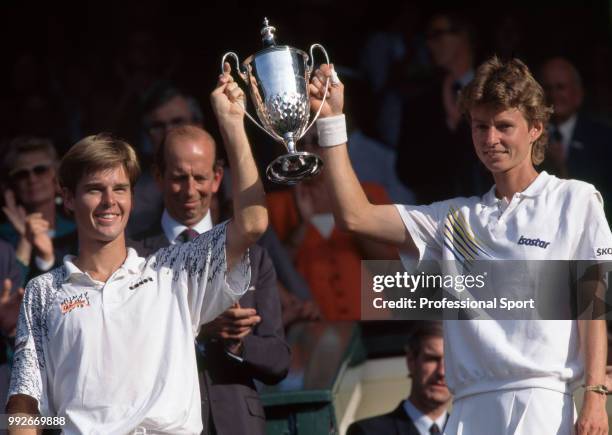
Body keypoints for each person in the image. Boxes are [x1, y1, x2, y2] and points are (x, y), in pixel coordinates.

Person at [309, 57, 610, 434]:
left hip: (542, 404)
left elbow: (592, 307)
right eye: (480, 126)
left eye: (504, 126)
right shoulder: (455, 218)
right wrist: (332, 120)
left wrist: (595, 398)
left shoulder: (575, 200)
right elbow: (354, 216)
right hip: (467, 409)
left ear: (535, 128)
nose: (490, 139)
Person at [6, 67, 268, 434]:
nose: (109, 202)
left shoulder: (173, 271)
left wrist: (233, 124)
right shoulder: (42, 292)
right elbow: (24, 404)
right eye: (95, 189)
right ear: (66, 197)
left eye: (121, 189)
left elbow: (253, 223)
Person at [130, 124, 290, 435]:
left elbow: (278, 360)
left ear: (217, 178)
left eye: (200, 177)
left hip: (238, 425)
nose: (190, 191)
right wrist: (201, 329)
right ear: (159, 176)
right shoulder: (134, 258)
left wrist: (237, 343)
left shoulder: (253, 257)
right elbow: (130, 348)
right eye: (178, 177)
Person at [347, 321, 450, 435]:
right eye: (432, 359)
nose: (442, 372)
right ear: (411, 361)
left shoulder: (471, 430)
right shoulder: (367, 432)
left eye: (452, 362)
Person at [539, 57, 612, 212]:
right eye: (548, 88)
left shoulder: (603, 137)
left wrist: (562, 167)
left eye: (560, 87)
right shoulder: (529, 134)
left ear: (578, 93)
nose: (554, 94)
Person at [1, 137, 77, 282]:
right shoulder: (3, 237)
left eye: (40, 170)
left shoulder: (77, 230)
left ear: (56, 175)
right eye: (21, 174)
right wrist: (26, 241)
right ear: (12, 184)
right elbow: (7, 294)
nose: (32, 179)